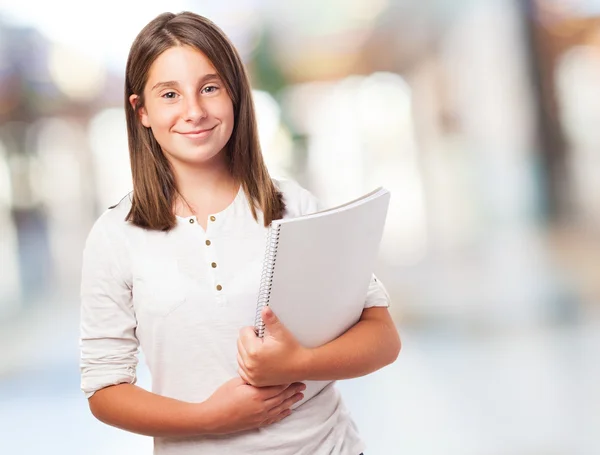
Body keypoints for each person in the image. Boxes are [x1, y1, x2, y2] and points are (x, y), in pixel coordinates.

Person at [79, 11, 401, 455]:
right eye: (170, 94)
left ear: (234, 94)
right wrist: (210, 419)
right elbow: (104, 389)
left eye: (209, 88)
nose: (194, 111)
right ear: (142, 111)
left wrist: (299, 362)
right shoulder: (116, 236)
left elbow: (382, 337)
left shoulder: (295, 208)